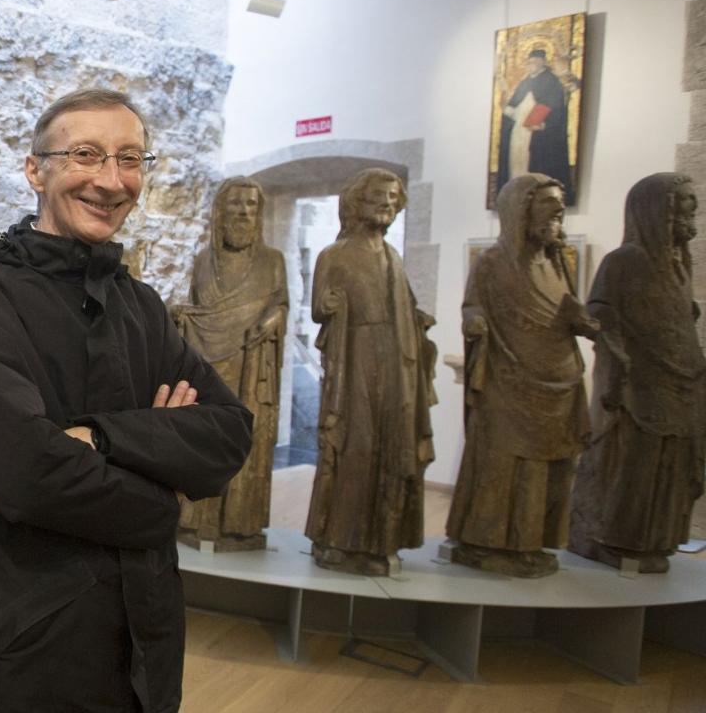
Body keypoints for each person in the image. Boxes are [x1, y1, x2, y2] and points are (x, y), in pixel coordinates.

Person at [0, 88, 252, 712]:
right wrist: (163, 496)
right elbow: (27, 472)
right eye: (86, 154)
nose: (110, 180)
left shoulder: (142, 306)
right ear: (35, 169)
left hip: (144, 641)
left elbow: (229, 433)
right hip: (28, 644)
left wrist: (98, 438)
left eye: (130, 159)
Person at [446, 174, 595, 578]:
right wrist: (475, 323)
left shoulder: (555, 262)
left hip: (557, 380)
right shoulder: (494, 263)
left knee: (550, 469)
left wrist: (579, 319)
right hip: (509, 382)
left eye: (559, 204)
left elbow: (564, 309)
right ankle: (491, 543)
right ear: (522, 210)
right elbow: (472, 307)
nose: (557, 212)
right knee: (509, 467)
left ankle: (531, 545)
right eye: (548, 204)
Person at [569, 173, 706, 573]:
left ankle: (654, 541)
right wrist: (620, 363)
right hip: (639, 387)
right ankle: (612, 538)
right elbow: (600, 313)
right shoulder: (623, 261)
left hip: (678, 384)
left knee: (669, 467)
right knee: (634, 466)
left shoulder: (680, 266)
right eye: (683, 201)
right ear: (655, 209)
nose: (692, 210)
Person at [304, 168, 437, 576]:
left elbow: (401, 306)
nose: (387, 204)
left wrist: (415, 321)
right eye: (379, 197)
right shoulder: (335, 254)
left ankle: (380, 540)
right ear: (358, 203)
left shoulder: (392, 257)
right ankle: (341, 540)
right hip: (356, 360)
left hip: (395, 362)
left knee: (390, 448)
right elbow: (317, 310)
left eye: (394, 198)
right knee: (354, 450)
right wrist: (329, 303)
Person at [175, 177, 288, 552]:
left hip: (250, 365)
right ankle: (195, 522)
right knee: (202, 438)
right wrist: (180, 316)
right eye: (235, 205)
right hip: (207, 366)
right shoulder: (203, 261)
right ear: (220, 212)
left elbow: (280, 305)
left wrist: (271, 321)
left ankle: (239, 525)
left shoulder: (273, 262)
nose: (243, 212)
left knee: (247, 440)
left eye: (251, 206)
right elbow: (196, 310)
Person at [496, 49, 574, 204]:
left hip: (539, 134)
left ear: (543, 62)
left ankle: (533, 195)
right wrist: (505, 105)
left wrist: (544, 124)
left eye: (534, 62)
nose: (530, 65)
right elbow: (513, 108)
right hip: (519, 132)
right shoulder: (525, 83)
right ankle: (516, 193)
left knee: (534, 164)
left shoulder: (551, 82)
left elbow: (557, 108)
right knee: (517, 162)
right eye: (529, 62)